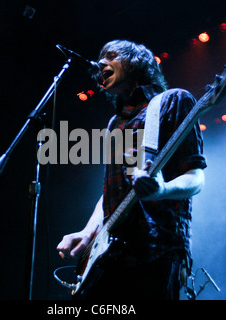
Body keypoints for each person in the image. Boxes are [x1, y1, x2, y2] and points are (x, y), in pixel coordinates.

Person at [56, 40, 207, 300]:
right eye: (100, 58)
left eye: (111, 56)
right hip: (110, 256)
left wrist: (161, 190)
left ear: (135, 62)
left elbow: (197, 177)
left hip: (154, 250)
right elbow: (112, 194)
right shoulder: (115, 124)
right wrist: (87, 231)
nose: (101, 63)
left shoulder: (173, 101)